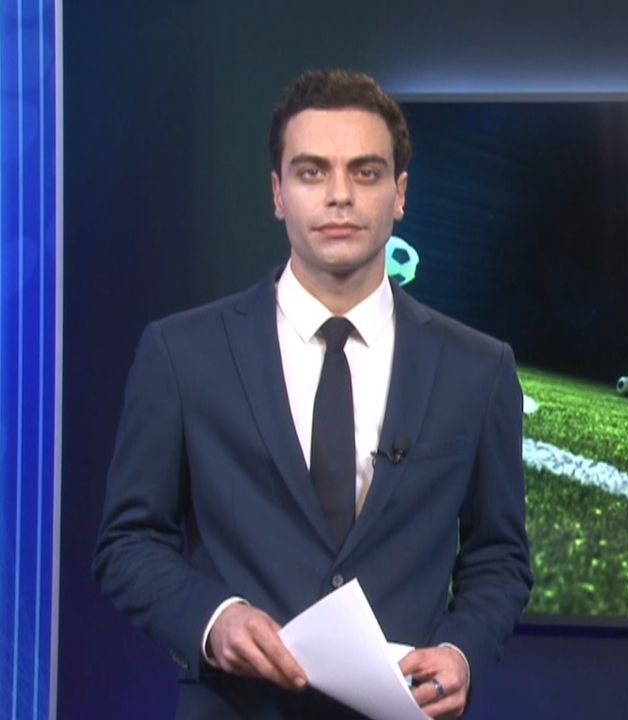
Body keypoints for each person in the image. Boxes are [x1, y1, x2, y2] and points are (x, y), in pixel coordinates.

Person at [94, 69, 534, 719]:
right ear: (278, 192)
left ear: (400, 194)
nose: (339, 196)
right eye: (311, 172)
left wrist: (461, 651)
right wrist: (214, 619)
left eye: (365, 172)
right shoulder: (182, 354)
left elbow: (499, 555)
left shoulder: (479, 368)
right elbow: (127, 543)